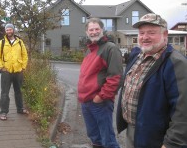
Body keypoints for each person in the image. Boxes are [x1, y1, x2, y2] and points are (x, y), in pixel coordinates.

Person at [116, 13, 187, 148]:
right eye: (141, 33)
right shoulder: (137, 56)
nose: (145, 37)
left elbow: (183, 111)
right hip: (133, 131)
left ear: (165, 35)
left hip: (157, 138)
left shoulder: (176, 63)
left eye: (151, 33)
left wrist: (172, 143)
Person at [77, 18, 123, 148]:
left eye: (97, 29)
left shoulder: (110, 48)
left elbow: (116, 77)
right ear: (87, 32)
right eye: (91, 30)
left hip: (99, 102)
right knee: (95, 138)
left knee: (107, 139)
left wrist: (100, 97)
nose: (94, 32)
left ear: (102, 30)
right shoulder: (90, 49)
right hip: (86, 101)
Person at [0, 23, 28, 121]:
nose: (9, 31)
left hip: (18, 71)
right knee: (4, 93)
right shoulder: (2, 42)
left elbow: (25, 55)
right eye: (7, 30)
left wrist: (23, 67)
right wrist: (1, 67)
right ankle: (3, 112)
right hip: (6, 71)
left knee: (19, 91)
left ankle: (20, 109)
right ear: (6, 31)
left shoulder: (20, 42)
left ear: (13, 30)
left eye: (10, 29)